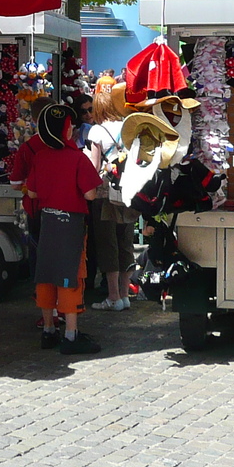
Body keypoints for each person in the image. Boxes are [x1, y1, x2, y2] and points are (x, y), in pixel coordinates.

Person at [23, 102, 104, 355]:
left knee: (46, 274)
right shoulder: (77, 158)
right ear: (66, 130)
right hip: (70, 223)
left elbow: (33, 191)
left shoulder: (41, 156)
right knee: (71, 276)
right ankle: (71, 335)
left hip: (47, 220)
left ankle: (48, 330)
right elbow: (90, 194)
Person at [83, 78, 135, 311]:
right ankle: (125, 294)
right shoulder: (128, 125)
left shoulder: (97, 130)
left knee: (107, 244)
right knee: (125, 243)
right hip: (128, 193)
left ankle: (113, 296)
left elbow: (93, 168)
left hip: (105, 195)